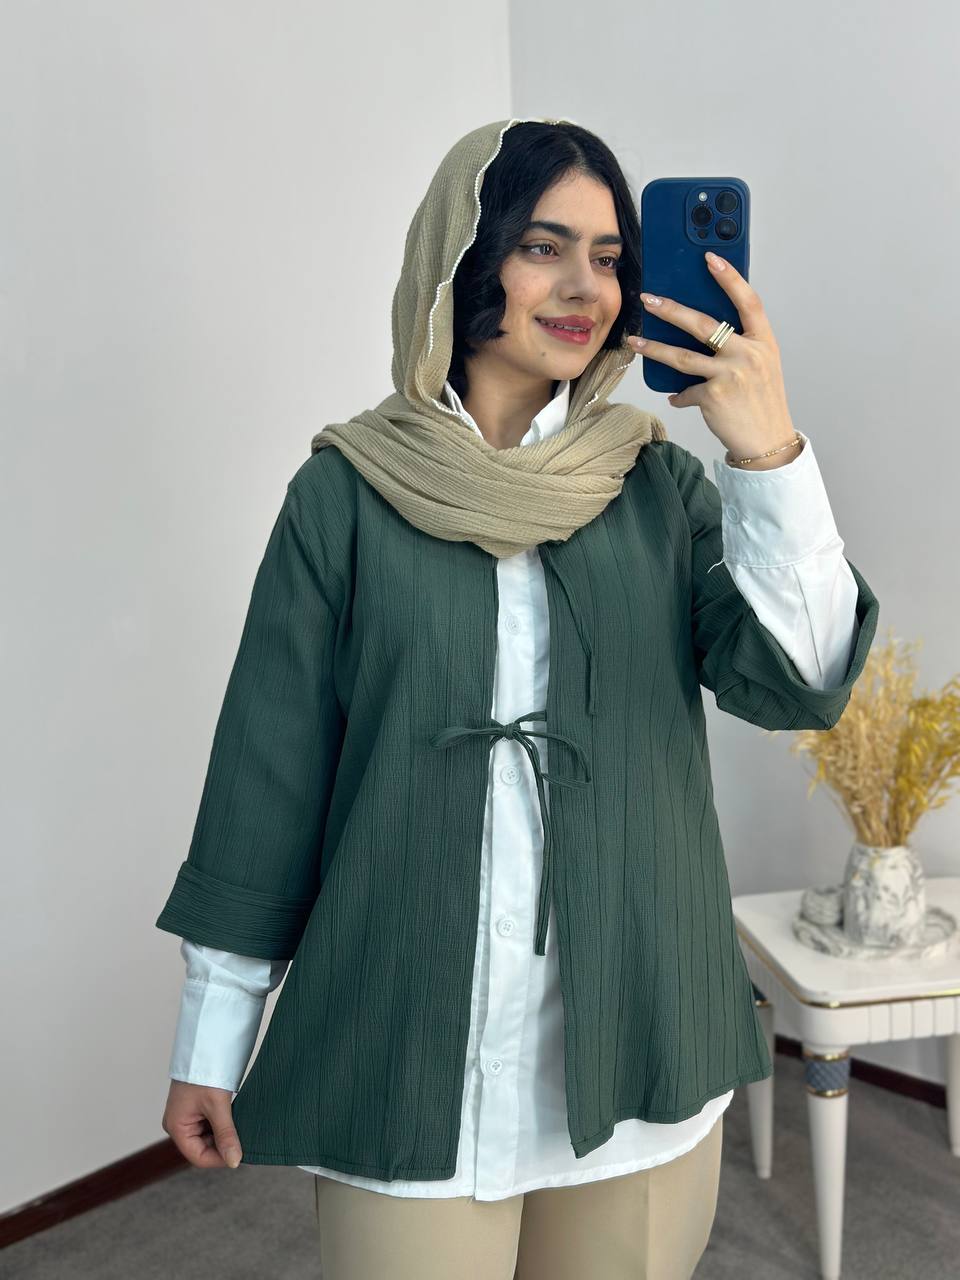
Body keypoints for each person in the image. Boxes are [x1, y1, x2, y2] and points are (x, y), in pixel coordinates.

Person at [156, 117, 879, 1279]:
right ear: (463, 255)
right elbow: (265, 779)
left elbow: (800, 681)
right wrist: (212, 1035)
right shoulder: (343, 497)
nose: (586, 285)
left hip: (641, 1042)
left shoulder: (659, 487)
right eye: (545, 246)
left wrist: (770, 454)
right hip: (411, 1045)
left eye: (609, 256)